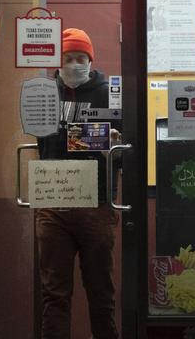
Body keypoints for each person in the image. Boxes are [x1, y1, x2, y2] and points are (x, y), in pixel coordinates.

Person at [36, 28, 120, 339]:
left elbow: (125, 147)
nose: (74, 64)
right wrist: (92, 136)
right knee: (54, 295)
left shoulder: (110, 91)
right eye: (68, 58)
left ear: (90, 59)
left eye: (80, 58)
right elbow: (43, 139)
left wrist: (109, 140)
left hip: (96, 202)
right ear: (59, 61)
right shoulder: (44, 92)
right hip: (53, 202)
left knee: (101, 294)